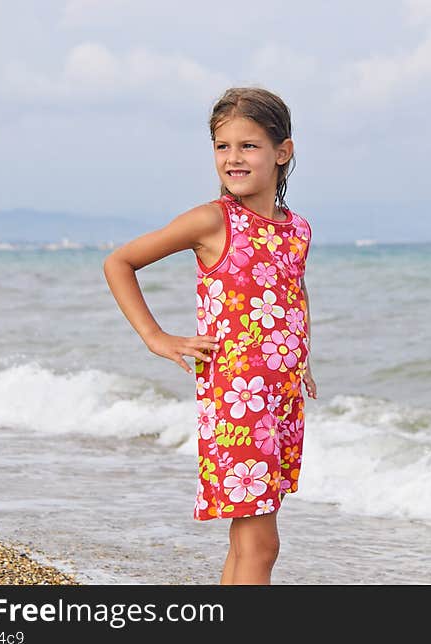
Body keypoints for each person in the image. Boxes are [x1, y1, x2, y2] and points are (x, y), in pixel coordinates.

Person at [103, 86, 317, 585]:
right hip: (237, 401)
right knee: (262, 544)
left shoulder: (297, 228)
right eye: (223, 147)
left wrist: (302, 354)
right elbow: (120, 262)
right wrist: (155, 336)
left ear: (282, 152)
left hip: (280, 399)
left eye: (249, 146)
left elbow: (292, 287)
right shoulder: (214, 220)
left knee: (249, 542)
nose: (233, 158)